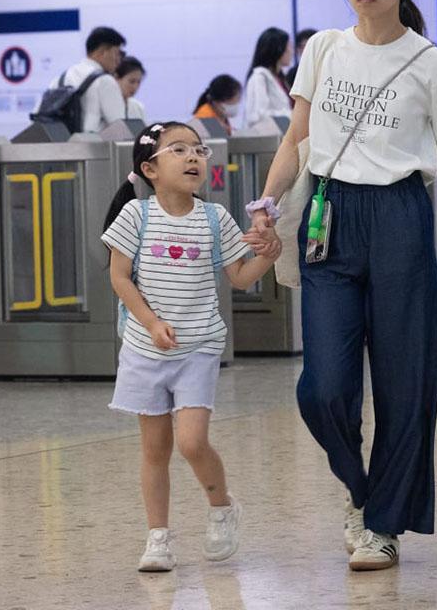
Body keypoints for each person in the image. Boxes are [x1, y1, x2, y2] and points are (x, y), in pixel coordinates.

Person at [246, 0, 437, 572]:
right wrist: (268, 202)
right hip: (328, 215)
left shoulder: (432, 63)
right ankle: (365, 495)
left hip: (399, 213)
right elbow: (298, 137)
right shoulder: (323, 49)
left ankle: (382, 526)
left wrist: (399, 159)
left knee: (404, 380)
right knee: (324, 387)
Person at [101, 121, 280, 572]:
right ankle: (158, 537)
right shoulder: (135, 216)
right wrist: (151, 322)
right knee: (154, 450)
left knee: (192, 442)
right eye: (178, 150)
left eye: (199, 149)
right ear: (150, 168)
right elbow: (119, 278)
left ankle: (222, 506)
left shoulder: (214, 218)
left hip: (198, 345)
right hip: (144, 349)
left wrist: (268, 256)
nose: (193, 157)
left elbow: (239, 277)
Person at [48, 26, 130, 132]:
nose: (119, 60)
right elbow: (121, 129)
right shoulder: (105, 81)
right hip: (93, 147)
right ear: (104, 51)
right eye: (118, 53)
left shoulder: (59, 79)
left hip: (60, 147)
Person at [243, 27, 293, 129]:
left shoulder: (280, 78)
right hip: (267, 140)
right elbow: (258, 115)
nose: (291, 52)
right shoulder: (259, 77)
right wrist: (291, 115)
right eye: (289, 47)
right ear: (279, 49)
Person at [286, 27, 319, 94]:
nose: (306, 50)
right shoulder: (292, 74)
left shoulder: (328, 70)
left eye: (309, 46)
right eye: (303, 46)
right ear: (298, 49)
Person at [115, 56, 147, 121]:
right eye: (131, 81)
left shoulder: (138, 107)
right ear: (117, 78)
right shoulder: (107, 104)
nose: (135, 87)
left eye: (138, 82)